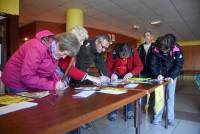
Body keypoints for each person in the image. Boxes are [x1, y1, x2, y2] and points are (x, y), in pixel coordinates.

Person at [1, 30, 81, 93]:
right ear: (58, 44)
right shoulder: (36, 47)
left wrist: (56, 82)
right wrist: (53, 85)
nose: (64, 57)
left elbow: (47, 70)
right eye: (64, 53)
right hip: (16, 82)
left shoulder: (55, 51)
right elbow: (27, 77)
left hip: (31, 83)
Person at [150, 34, 184, 125]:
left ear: (171, 47)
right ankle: (157, 117)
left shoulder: (177, 49)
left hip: (172, 74)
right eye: (162, 51)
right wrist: (157, 74)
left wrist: (172, 76)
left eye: (166, 50)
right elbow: (153, 64)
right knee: (159, 96)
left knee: (170, 96)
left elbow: (179, 64)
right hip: (160, 75)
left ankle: (170, 118)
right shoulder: (155, 48)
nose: (164, 52)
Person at [106, 43, 143, 121]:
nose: (123, 59)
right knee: (114, 93)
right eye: (122, 57)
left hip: (128, 74)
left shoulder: (134, 52)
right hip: (116, 74)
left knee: (128, 92)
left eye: (126, 57)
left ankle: (128, 110)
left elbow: (139, 65)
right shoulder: (113, 53)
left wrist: (131, 73)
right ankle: (113, 111)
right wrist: (111, 74)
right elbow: (107, 67)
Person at [137, 31, 155, 109]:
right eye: (145, 36)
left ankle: (151, 106)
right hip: (142, 72)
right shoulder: (140, 47)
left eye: (148, 35)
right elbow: (137, 59)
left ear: (151, 37)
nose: (146, 37)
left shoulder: (155, 47)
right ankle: (143, 106)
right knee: (142, 89)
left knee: (152, 90)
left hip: (152, 72)